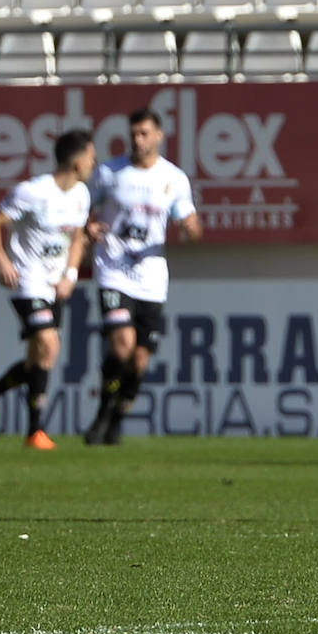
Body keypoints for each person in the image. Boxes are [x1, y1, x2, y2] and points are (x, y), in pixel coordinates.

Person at [0, 129, 95, 450]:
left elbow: (78, 237)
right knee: (49, 345)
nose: (94, 163)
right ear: (79, 161)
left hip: (55, 285)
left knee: (37, 358)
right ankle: (35, 432)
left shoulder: (81, 194)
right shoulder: (33, 191)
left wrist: (70, 274)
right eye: (91, 157)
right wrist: (0, 259)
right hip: (27, 281)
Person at [84, 108, 201, 446]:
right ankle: (102, 415)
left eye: (144, 133)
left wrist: (192, 229)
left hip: (151, 278)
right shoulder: (110, 173)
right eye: (134, 133)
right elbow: (83, 209)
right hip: (113, 272)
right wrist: (88, 227)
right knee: (121, 344)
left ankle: (118, 417)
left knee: (140, 359)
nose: (138, 140)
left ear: (159, 136)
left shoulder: (173, 179)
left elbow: (188, 223)